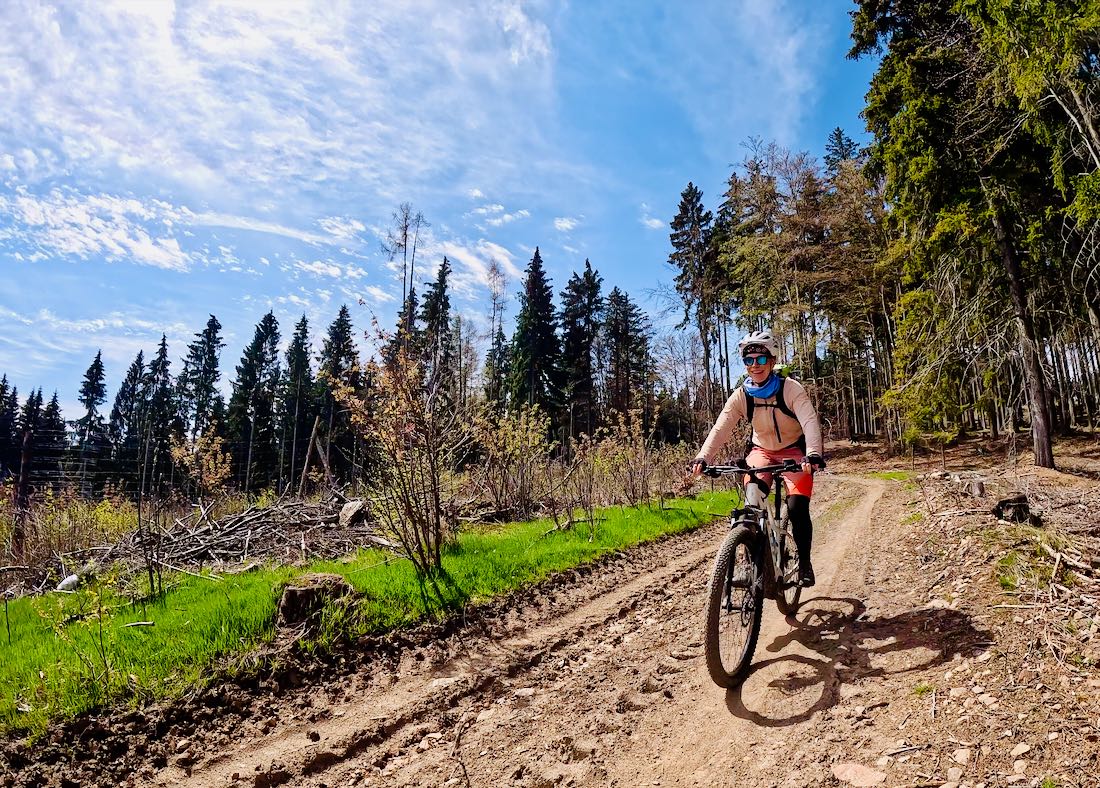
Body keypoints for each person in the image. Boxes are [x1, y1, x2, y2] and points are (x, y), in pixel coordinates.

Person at [690, 330, 825, 587]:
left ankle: (805, 563)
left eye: (761, 360)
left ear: (772, 361)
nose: (755, 365)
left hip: (795, 453)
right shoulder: (743, 394)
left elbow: (809, 421)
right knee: (750, 505)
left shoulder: (790, 389)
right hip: (761, 451)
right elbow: (721, 427)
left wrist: (813, 454)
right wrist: (703, 457)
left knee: (796, 507)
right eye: (749, 360)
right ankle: (751, 565)